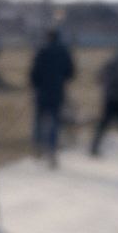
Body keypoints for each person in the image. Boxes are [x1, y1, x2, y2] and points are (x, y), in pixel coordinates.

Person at [30, 28, 75, 168]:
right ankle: (52, 150)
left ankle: (38, 145)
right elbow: (70, 72)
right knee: (55, 121)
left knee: (39, 119)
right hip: (57, 91)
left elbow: (34, 72)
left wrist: (36, 84)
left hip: (42, 91)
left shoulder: (42, 51)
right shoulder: (63, 51)